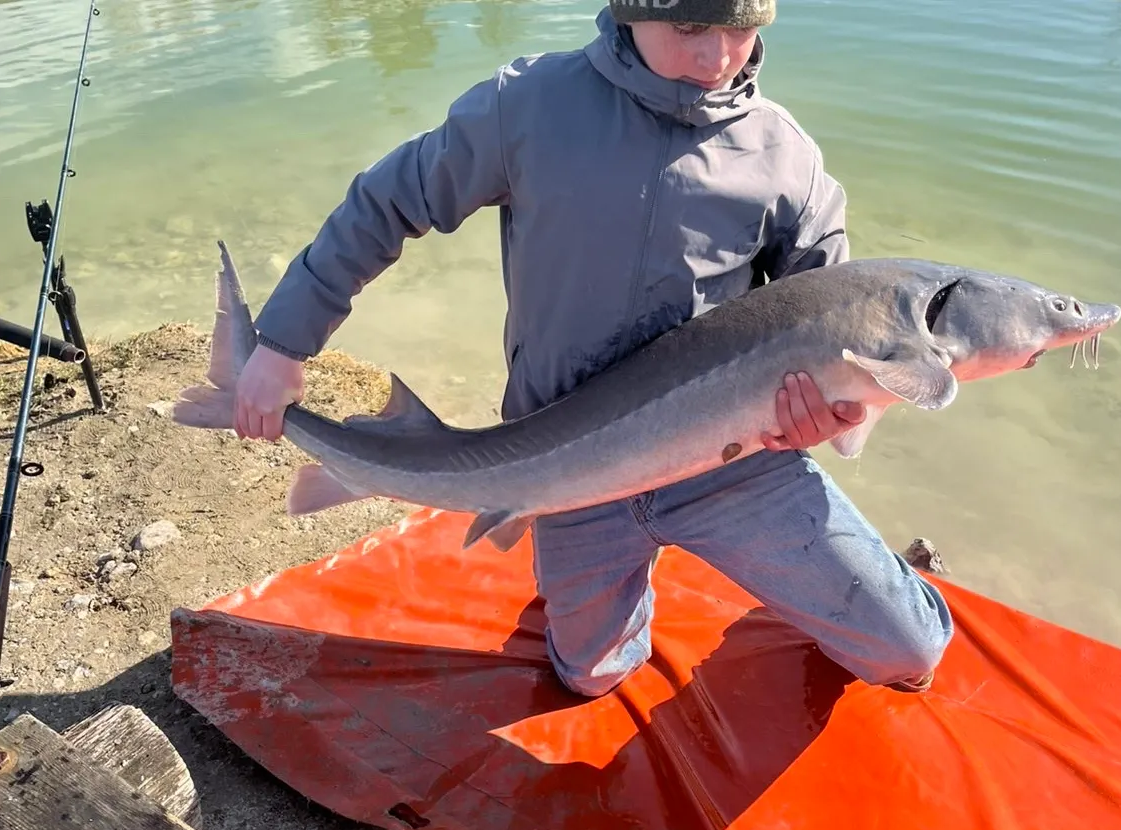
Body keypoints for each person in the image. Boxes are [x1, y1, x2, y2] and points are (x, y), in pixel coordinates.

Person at [236, 0, 953, 697]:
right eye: (690, 25)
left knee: (909, 649)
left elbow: (834, 332)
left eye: (739, 30)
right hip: (560, 466)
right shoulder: (530, 106)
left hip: (731, 464)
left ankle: (872, 580)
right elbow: (386, 203)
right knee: (593, 676)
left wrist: (830, 415)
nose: (715, 57)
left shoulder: (785, 157)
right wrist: (282, 344)